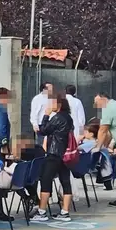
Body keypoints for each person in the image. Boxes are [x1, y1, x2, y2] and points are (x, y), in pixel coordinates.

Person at [34, 94, 75, 222]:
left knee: (46, 180)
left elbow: (42, 131)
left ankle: (42, 212)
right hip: (65, 155)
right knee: (65, 182)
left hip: (54, 153)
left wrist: (46, 115)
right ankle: (65, 211)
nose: (50, 106)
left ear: (59, 105)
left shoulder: (57, 118)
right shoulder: (68, 118)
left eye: (52, 103)